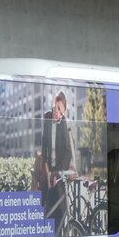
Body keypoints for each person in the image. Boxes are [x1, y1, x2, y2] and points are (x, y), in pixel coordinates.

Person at [40, 91, 74, 225]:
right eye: (58, 110)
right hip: (47, 170)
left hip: (59, 171)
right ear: (54, 103)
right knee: (47, 210)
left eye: (62, 112)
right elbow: (43, 147)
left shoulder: (63, 122)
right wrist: (47, 170)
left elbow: (68, 151)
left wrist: (58, 172)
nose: (59, 115)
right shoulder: (46, 118)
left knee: (61, 211)